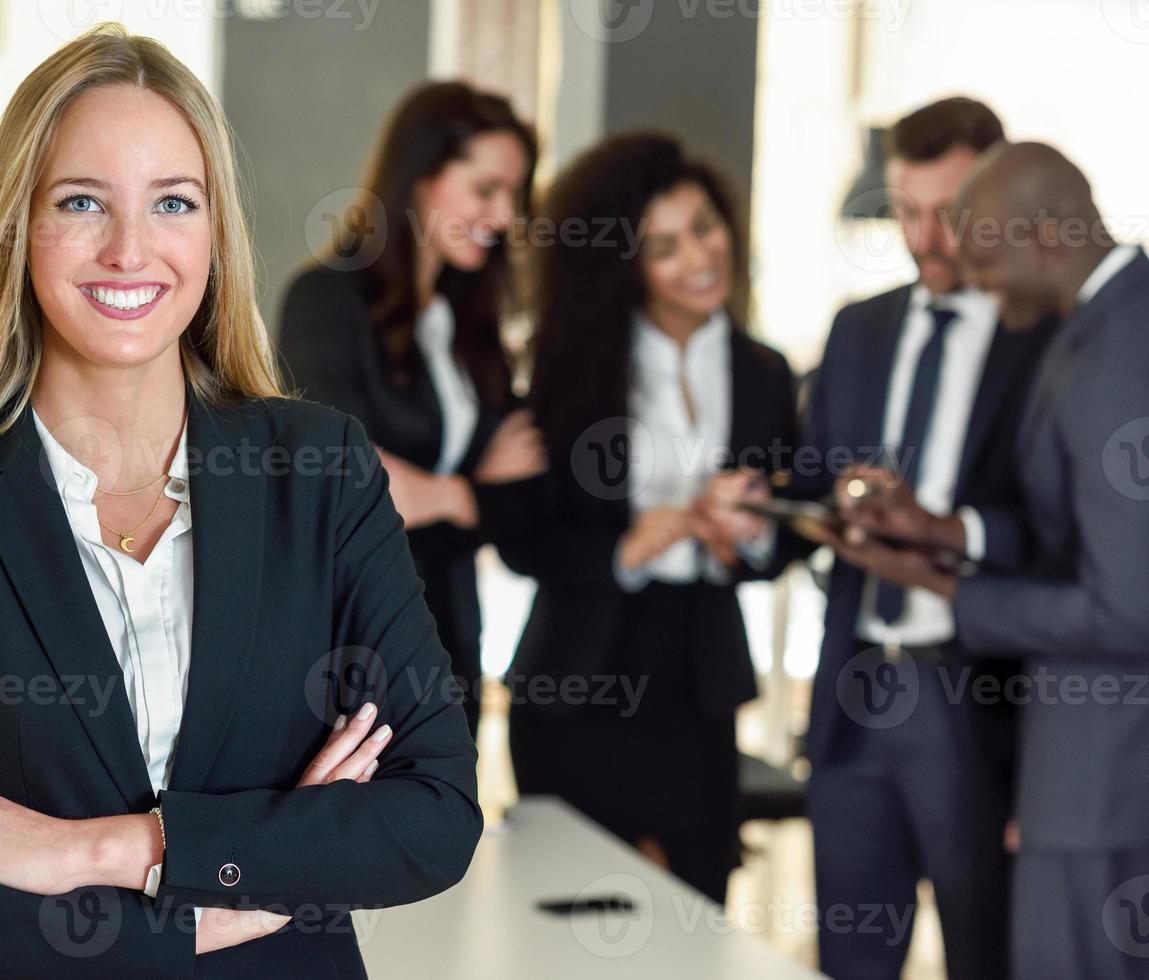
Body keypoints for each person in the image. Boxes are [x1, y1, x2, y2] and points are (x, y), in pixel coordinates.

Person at [0, 26, 480, 979]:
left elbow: (433, 815)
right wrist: (218, 897)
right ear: (17, 226)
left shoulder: (318, 469)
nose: (130, 250)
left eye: (173, 202)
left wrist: (104, 850)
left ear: (213, 231)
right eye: (81, 202)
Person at [824, 141, 1149, 980]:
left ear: (1045, 235)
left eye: (985, 259)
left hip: (1103, 780)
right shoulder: (1101, 324)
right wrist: (937, 533)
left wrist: (943, 590)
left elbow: (1127, 608)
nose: (971, 280)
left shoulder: (1118, 357)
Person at [751, 98, 1050, 980]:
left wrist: (947, 528)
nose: (925, 236)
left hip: (975, 693)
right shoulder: (860, 328)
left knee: (982, 953)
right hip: (851, 694)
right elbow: (810, 489)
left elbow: (1066, 532)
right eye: (907, 210)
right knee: (850, 958)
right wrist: (777, 510)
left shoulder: (1045, 338)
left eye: (949, 212)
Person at [492, 133, 796, 904]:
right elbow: (521, 538)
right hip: (577, 676)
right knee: (567, 924)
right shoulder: (568, 373)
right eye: (663, 245)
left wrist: (751, 535)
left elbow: (789, 529)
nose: (698, 256)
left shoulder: (763, 373)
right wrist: (623, 549)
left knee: (692, 919)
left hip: (698, 679)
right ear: (623, 265)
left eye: (703, 226)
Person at [278, 81, 546, 739]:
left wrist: (442, 497)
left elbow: (528, 488)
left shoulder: (465, 326)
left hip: (450, 632)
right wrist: (468, 493)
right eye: (485, 190)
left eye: (513, 194)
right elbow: (342, 479)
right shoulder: (325, 301)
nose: (503, 215)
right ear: (419, 179)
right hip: (347, 636)